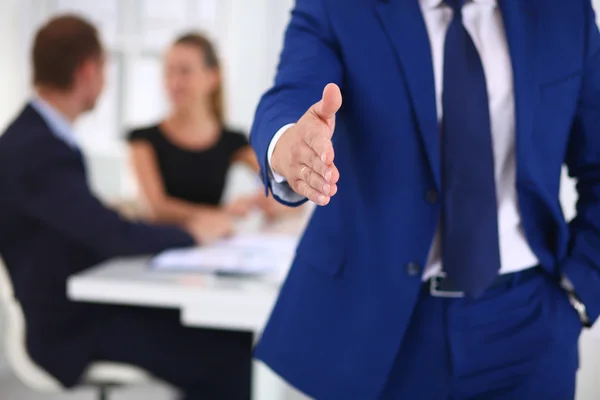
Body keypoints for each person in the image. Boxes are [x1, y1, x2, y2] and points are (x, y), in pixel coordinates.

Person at [250, 1, 600, 399]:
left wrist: (579, 292)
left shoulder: (565, 13)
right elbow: (290, 94)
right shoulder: (340, 7)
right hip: (384, 330)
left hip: (530, 324)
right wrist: (286, 144)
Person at [0, 15, 251, 400]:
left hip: (83, 305)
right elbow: (109, 235)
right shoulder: (38, 147)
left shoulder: (39, 136)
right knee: (226, 353)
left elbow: (74, 221)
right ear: (87, 70)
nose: (106, 80)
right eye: (104, 68)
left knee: (221, 336)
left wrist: (108, 211)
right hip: (68, 328)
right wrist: (191, 233)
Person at [128, 32, 293, 227]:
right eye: (169, 71)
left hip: (210, 252)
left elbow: (288, 192)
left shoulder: (232, 140)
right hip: (159, 250)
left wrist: (274, 204)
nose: (175, 83)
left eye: (185, 71)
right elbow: (156, 209)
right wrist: (223, 212)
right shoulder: (142, 140)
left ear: (213, 77)